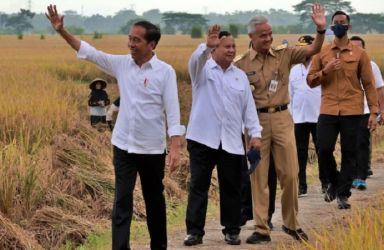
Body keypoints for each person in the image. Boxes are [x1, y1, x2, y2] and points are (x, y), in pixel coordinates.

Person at [46, 5, 185, 250]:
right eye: (129, 38)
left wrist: (175, 147)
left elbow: (173, 112)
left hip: (151, 148)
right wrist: (62, 31)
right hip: (123, 146)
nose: (131, 44)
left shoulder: (165, 73)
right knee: (122, 200)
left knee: (154, 201)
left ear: (151, 45)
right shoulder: (122, 65)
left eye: (136, 40)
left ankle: (159, 247)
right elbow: (90, 53)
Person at [235, 3, 326, 243]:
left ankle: (291, 223)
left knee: (290, 173)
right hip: (256, 123)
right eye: (263, 35)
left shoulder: (284, 54)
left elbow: (314, 49)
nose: (268, 38)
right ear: (251, 37)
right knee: (260, 177)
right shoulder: (241, 63)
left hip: (284, 118)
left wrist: (320, 30)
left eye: (270, 33)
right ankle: (262, 228)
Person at [183, 25, 262, 246]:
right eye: (226, 46)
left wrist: (255, 134)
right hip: (202, 139)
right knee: (199, 186)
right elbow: (194, 61)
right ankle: (194, 232)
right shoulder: (202, 70)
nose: (230, 50)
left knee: (232, 186)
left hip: (231, 140)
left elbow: (248, 109)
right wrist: (205, 46)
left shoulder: (240, 77)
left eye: (233, 46)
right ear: (215, 49)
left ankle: (232, 229)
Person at [307, 11, 379, 210]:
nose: (339, 25)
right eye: (335, 22)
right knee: (323, 148)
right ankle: (334, 181)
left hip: (352, 110)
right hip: (328, 108)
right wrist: (326, 70)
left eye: (342, 22)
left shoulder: (359, 54)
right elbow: (310, 81)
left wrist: (374, 112)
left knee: (350, 152)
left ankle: (342, 194)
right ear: (331, 27)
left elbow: (369, 84)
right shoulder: (322, 53)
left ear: (349, 26)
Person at [288, 35, 326, 196]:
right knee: (299, 153)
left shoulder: (320, 66)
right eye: (299, 47)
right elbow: (289, 95)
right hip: (299, 118)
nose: (303, 51)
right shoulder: (294, 69)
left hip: (319, 117)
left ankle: (326, 182)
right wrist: (291, 114)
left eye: (306, 47)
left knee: (322, 151)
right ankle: (301, 185)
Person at [349, 36, 384, 190]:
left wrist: (381, 111)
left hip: (365, 110)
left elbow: (379, 90)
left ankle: (360, 176)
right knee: (349, 144)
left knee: (362, 143)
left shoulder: (372, 66)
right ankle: (350, 173)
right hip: (347, 111)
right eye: (353, 47)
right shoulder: (343, 64)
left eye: (359, 47)